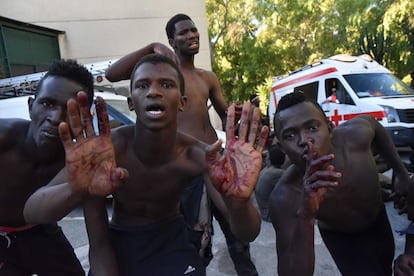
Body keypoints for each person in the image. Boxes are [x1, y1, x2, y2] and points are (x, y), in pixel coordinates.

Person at [24, 54, 269, 276]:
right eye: (143, 85)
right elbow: (35, 212)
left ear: (182, 102)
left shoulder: (198, 156)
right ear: (131, 103)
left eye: (166, 84)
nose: (154, 91)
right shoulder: (110, 149)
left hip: (171, 243)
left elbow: (247, 232)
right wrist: (77, 190)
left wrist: (239, 203)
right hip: (118, 242)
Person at [105, 13, 258, 275]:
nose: (192, 36)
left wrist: (241, 116)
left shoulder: (207, 77)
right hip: (181, 166)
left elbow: (225, 115)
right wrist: (151, 47)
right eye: (184, 32)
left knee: (237, 234)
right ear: (171, 40)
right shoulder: (160, 71)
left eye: (194, 30)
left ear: (182, 100)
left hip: (211, 161)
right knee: (195, 235)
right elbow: (111, 73)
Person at [269, 91, 410, 276]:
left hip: (378, 220)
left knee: (388, 265)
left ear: (330, 127)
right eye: (290, 135)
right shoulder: (285, 196)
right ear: (281, 148)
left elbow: (375, 126)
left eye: (312, 127)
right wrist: (306, 216)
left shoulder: (356, 136)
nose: (305, 140)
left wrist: (400, 172)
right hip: (342, 239)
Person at [0, 59, 94, 275]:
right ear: (30, 105)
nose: (56, 118)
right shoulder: (3, 138)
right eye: (47, 104)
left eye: (70, 110)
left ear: (85, 116)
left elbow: (98, 240)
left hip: (37, 229)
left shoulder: (81, 160)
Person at [255, 144, 286, 222]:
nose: (266, 159)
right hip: (269, 215)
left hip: (263, 211)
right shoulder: (276, 173)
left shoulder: (265, 170)